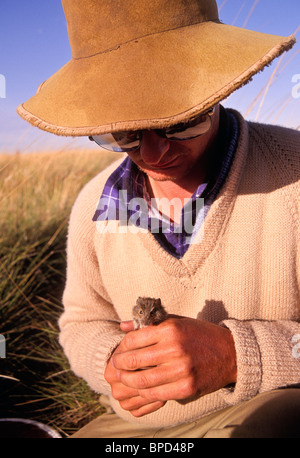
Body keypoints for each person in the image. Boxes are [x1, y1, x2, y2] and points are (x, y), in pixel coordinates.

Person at [17, 0, 300, 438]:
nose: (153, 156)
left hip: (265, 411)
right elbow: (80, 323)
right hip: (126, 427)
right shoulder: (94, 205)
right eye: (124, 133)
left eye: (179, 122)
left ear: (216, 91)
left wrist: (239, 356)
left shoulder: (293, 173)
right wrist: (112, 362)